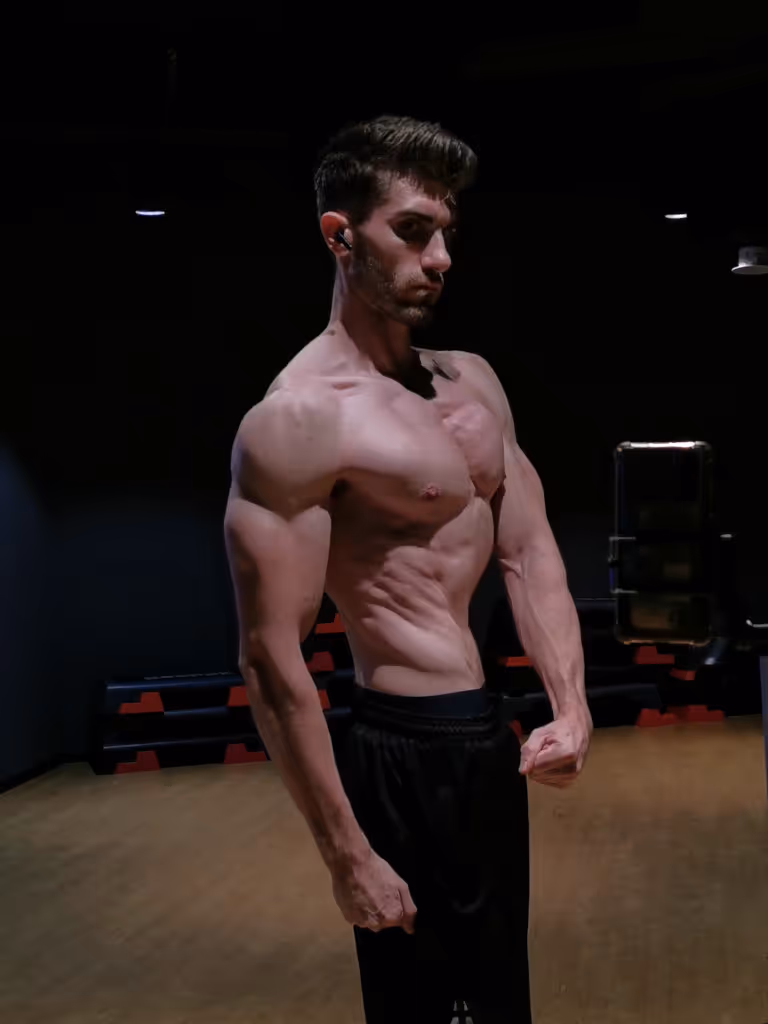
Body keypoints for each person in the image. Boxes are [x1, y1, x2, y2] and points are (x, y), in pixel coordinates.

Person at [224, 114, 593, 1024]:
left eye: (446, 233)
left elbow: (529, 549)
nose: (440, 258)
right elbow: (270, 658)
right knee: (424, 1011)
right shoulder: (299, 419)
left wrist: (572, 707)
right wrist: (346, 855)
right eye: (413, 230)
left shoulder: (473, 380)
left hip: (484, 738)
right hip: (399, 751)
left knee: (499, 1001)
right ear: (339, 235)